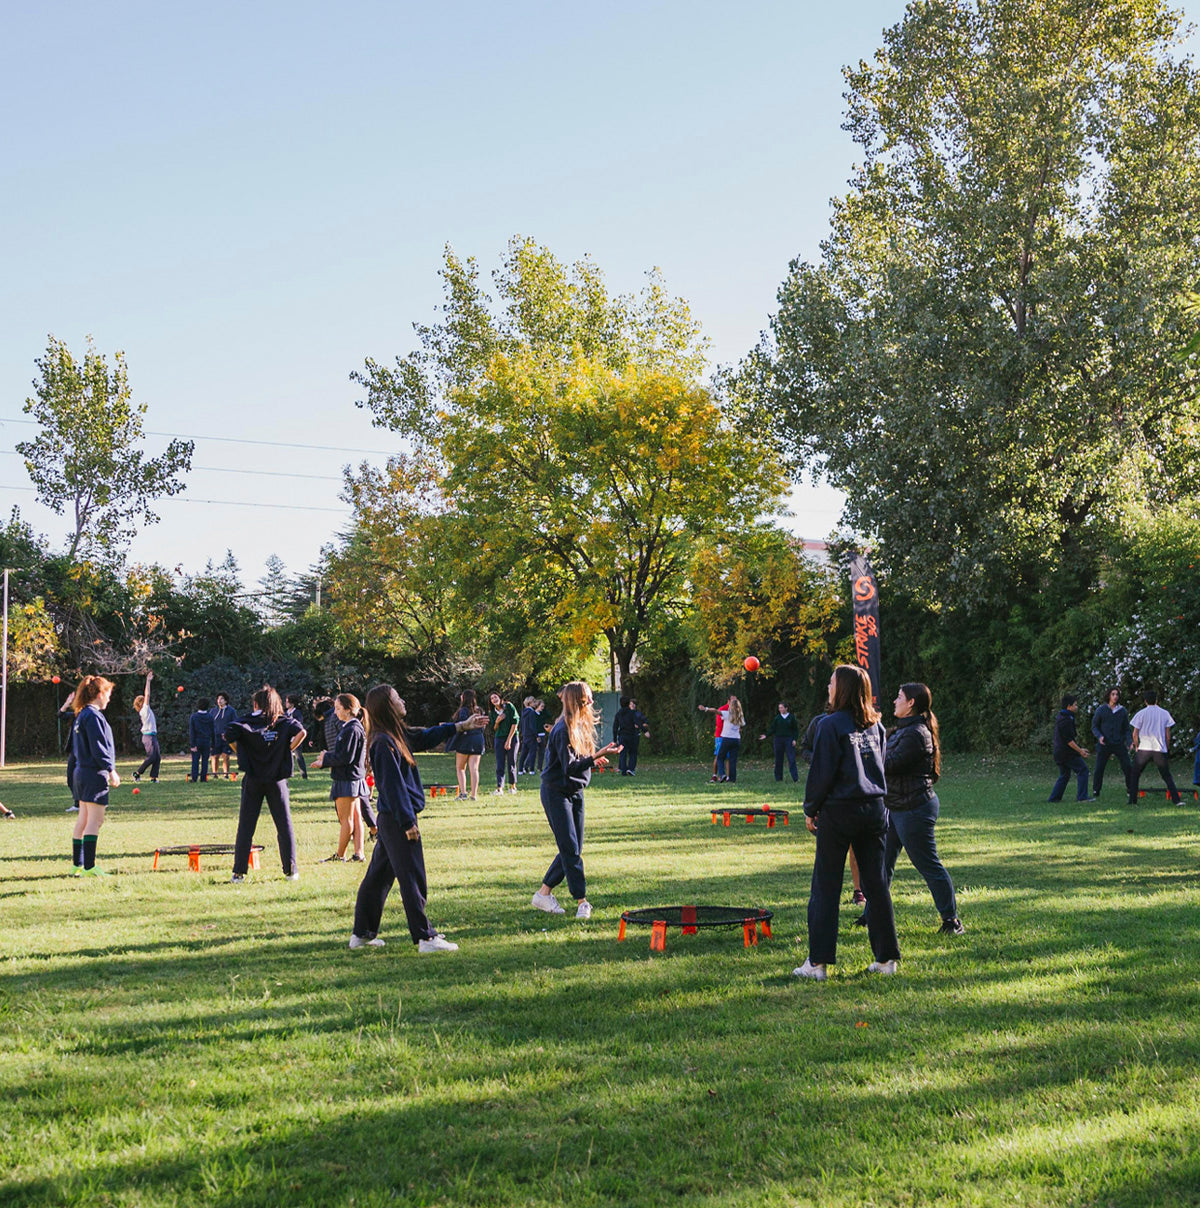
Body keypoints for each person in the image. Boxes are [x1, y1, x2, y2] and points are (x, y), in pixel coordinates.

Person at [348, 684, 487, 952]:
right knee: (412, 877)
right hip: (397, 819)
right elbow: (393, 787)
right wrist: (408, 823)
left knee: (378, 877)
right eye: (397, 697)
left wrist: (462, 726)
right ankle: (425, 937)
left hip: (394, 819)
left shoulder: (394, 734)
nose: (402, 700)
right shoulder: (383, 742)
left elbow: (424, 736)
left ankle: (362, 934)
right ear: (388, 706)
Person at [793, 664, 901, 981]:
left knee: (825, 886)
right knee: (876, 885)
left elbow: (821, 772)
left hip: (839, 811)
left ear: (841, 689)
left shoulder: (829, 725)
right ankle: (886, 959)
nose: (828, 687)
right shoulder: (876, 726)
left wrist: (810, 808)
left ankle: (817, 963)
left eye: (831, 683)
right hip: (874, 811)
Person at [858, 683, 963, 935]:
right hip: (896, 806)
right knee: (882, 864)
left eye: (899, 697)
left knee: (927, 864)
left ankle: (951, 921)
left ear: (911, 703)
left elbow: (889, 764)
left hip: (915, 808)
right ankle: (871, 914)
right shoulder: (902, 730)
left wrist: (867, 750)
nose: (895, 701)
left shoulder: (917, 733)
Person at [531, 681, 622, 920]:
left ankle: (543, 894)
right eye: (588, 698)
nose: (592, 702)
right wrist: (596, 756)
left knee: (572, 848)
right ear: (577, 700)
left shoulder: (580, 725)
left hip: (574, 792)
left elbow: (578, 763)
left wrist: (594, 758)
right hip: (555, 793)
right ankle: (582, 901)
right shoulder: (562, 730)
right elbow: (570, 767)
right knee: (570, 848)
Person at [225, 687, 307, 882]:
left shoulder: (246, 721)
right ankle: (291, 870)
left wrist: (242, 752)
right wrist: (288, 748)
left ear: (255, 704)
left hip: (253, 778)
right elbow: (302, 732)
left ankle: (238, 873)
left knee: (246, 826)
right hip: (277, 780)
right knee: (284, 824)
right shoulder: (283, 722)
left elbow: (229, 735)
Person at [70, 675, 121, 876]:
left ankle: (77, 864)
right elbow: (99, 747)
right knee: (95, 821)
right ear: (100, 694)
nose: (109, 698)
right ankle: (89, 867)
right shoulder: (93, 716)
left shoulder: (82, 715)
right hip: (93, 773)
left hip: (81, 773)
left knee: (83, 818)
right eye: (108, 694)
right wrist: (111, 770)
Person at [313, 693, 368, 862]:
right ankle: (359, 853)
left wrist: (325, 760)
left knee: (347, 820)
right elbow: (345, 754)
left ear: (348, 710)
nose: (335, 712)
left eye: (338, 708)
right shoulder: (351, 727)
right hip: (353, 778)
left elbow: (345, 758)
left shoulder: (351, 729)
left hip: (347, 779)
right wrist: (328, 754)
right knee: (357, 817)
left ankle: (340, 855)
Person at [1127, 688, 1184, 806]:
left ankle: (1132, 801)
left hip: (1145, 748)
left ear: (1145, 701)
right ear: (1157, 700)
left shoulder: (1141, 713)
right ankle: (1176, 800)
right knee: (1166, 775)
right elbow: (1168, 734)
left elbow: (1134, 733)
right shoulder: (1164, 713)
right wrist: (1166, 748)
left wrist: (1137, 746)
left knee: (1135, 774)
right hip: (1159, 748)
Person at [1049, 695, 1092, 803]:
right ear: (1069, 706)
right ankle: (1082, 797)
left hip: (1060, 752)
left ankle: (1054, 798)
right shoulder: (1065, 720)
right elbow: (1069, 741)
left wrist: (1079, 749)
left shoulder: (1064, 716)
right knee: (1083, 769)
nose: (1077, 707)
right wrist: (1080, 751)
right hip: (1066, 753)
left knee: (1064, 775)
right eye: (1075, 705)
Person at [1091, 688, 1132, 798]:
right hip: (1105, 743)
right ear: (1109, 695)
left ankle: (1130, 789)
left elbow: (1126, 729)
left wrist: (1129, 742)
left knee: (1127, 766)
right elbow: (1094, 726)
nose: (1115, 697)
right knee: (1099, 768)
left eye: (1117, 694)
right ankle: (1096, 790)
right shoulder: (1101, 710)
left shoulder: (1122, 711)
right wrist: (1099, 736)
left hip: (1118, 743)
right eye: (1113, 694)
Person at [451, 688, 485, 801]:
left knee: (460, 768)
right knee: (474, 769)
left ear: (464, 698)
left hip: (465, 740)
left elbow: (461, 725)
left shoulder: (463, 711)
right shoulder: (479, 710)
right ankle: (474, 795)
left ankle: (463, 793)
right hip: (478, 740)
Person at [760, 701, 801, 783]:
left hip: (789, 739)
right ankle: (778, 778)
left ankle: (795, 778)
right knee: (778, 759)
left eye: (782, 707)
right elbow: (773, 728)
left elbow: (795, 730)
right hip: (778, 739)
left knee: (791, 758)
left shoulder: (791, 717)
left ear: (786, 708)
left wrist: (794, 739)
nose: (780, 709)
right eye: (779, 708)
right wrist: (766, 735)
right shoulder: (777, 718)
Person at [706, 695, 744, 783]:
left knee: (720, 757)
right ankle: (732, 779)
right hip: (736, 740)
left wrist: (706, 708)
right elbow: (742, 725)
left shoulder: (727, 714)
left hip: (727, 738)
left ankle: (722, 774)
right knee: (732, 760)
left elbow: (716, 711)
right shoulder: (740, 715)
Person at [131, 671, 161, 783]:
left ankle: (153, 778)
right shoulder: (145, 709)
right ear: (142, 702)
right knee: (152, 757)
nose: (147, 699)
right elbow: (147, 694)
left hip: (152, 735)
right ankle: (137, 773)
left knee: (157, 757)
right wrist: (148, 681)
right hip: (148, 737)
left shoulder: (146, 710)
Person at [489, 692, 520, 794]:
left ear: (500, 697)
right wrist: (497, 721)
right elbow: (494, 728)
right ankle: (499, 788)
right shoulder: (492, 712)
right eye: (492, 698)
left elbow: (515, 723)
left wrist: (509, 740)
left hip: (512, 737)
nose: (494, 699)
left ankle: (512, 787)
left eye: (495, 697)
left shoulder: (509, 707)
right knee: (500, 763)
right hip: (499, 738)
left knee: (511, 762)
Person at [613, 697, 650, 776]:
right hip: (632, 735)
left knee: (623, 753)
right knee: (633, 753)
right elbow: (638, 722)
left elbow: (615, 727)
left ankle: (623, 770)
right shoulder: (632, 713)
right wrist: (645, 731)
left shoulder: (618, 714)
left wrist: (615, 739)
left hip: (622, 735)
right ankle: (631, 769)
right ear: (628, 704)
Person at [209, 693, 237, 780]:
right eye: (218, 699)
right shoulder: (213, 711)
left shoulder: (231, 711)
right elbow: (209, 723)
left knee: (226, 756)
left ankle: (226, 774)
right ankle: (215, 774)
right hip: (215, 737)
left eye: (221, 699)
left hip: (226, 737)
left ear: (225, 701)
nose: (219, 701)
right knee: (215, 756)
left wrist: (229, 733)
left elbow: (235, 723)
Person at [60, 689, 80, 812]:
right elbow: (60, 715)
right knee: (70, 778)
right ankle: (78, 804)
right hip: (74, 751)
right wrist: (67, 703)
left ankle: (85, 803)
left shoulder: (90, 715)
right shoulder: (75, 716)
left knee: (82, 778)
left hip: (84, 752)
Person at [188, 698, 214, 782]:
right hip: (206, 741)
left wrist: (192, 744)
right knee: (205, 761)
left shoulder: (194, 717)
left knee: (195, 760)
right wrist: (213, 744)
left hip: (197, 741)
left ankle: (194, 778)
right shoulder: (210, 717)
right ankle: (203, 778)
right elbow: (213, 731)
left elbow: (192, 731)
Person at [698, 702, 725, 780]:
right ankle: (715, 775)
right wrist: (706, 709)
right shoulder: (723, 709)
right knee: (719, 755)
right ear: (729, 700)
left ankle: (725, 776)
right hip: (720, 736)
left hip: (728, 736)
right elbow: (715, 711)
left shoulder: (734, 709)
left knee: (727, 757)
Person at [285, 695, 309, 779]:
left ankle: (304, 775)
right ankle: (289, 773)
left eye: (287, 701)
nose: (286, 703)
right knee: (288, 756)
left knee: (299, 756)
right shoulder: (285, 713)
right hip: (287, 738)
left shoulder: (297, 713)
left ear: (292, 703)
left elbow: (299, 724)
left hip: (296, 737)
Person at [517, 697, 542, 775]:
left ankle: (520, 770)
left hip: (525, 735)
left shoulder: (523, 712)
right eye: (534, 702)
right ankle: (531, 770)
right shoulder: (532, 713)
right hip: (531, 735)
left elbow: (521, 724)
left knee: (523, 753)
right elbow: (532, 725)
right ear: (530, 703)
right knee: (532, 753)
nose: (535, 703)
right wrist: (536, 736)